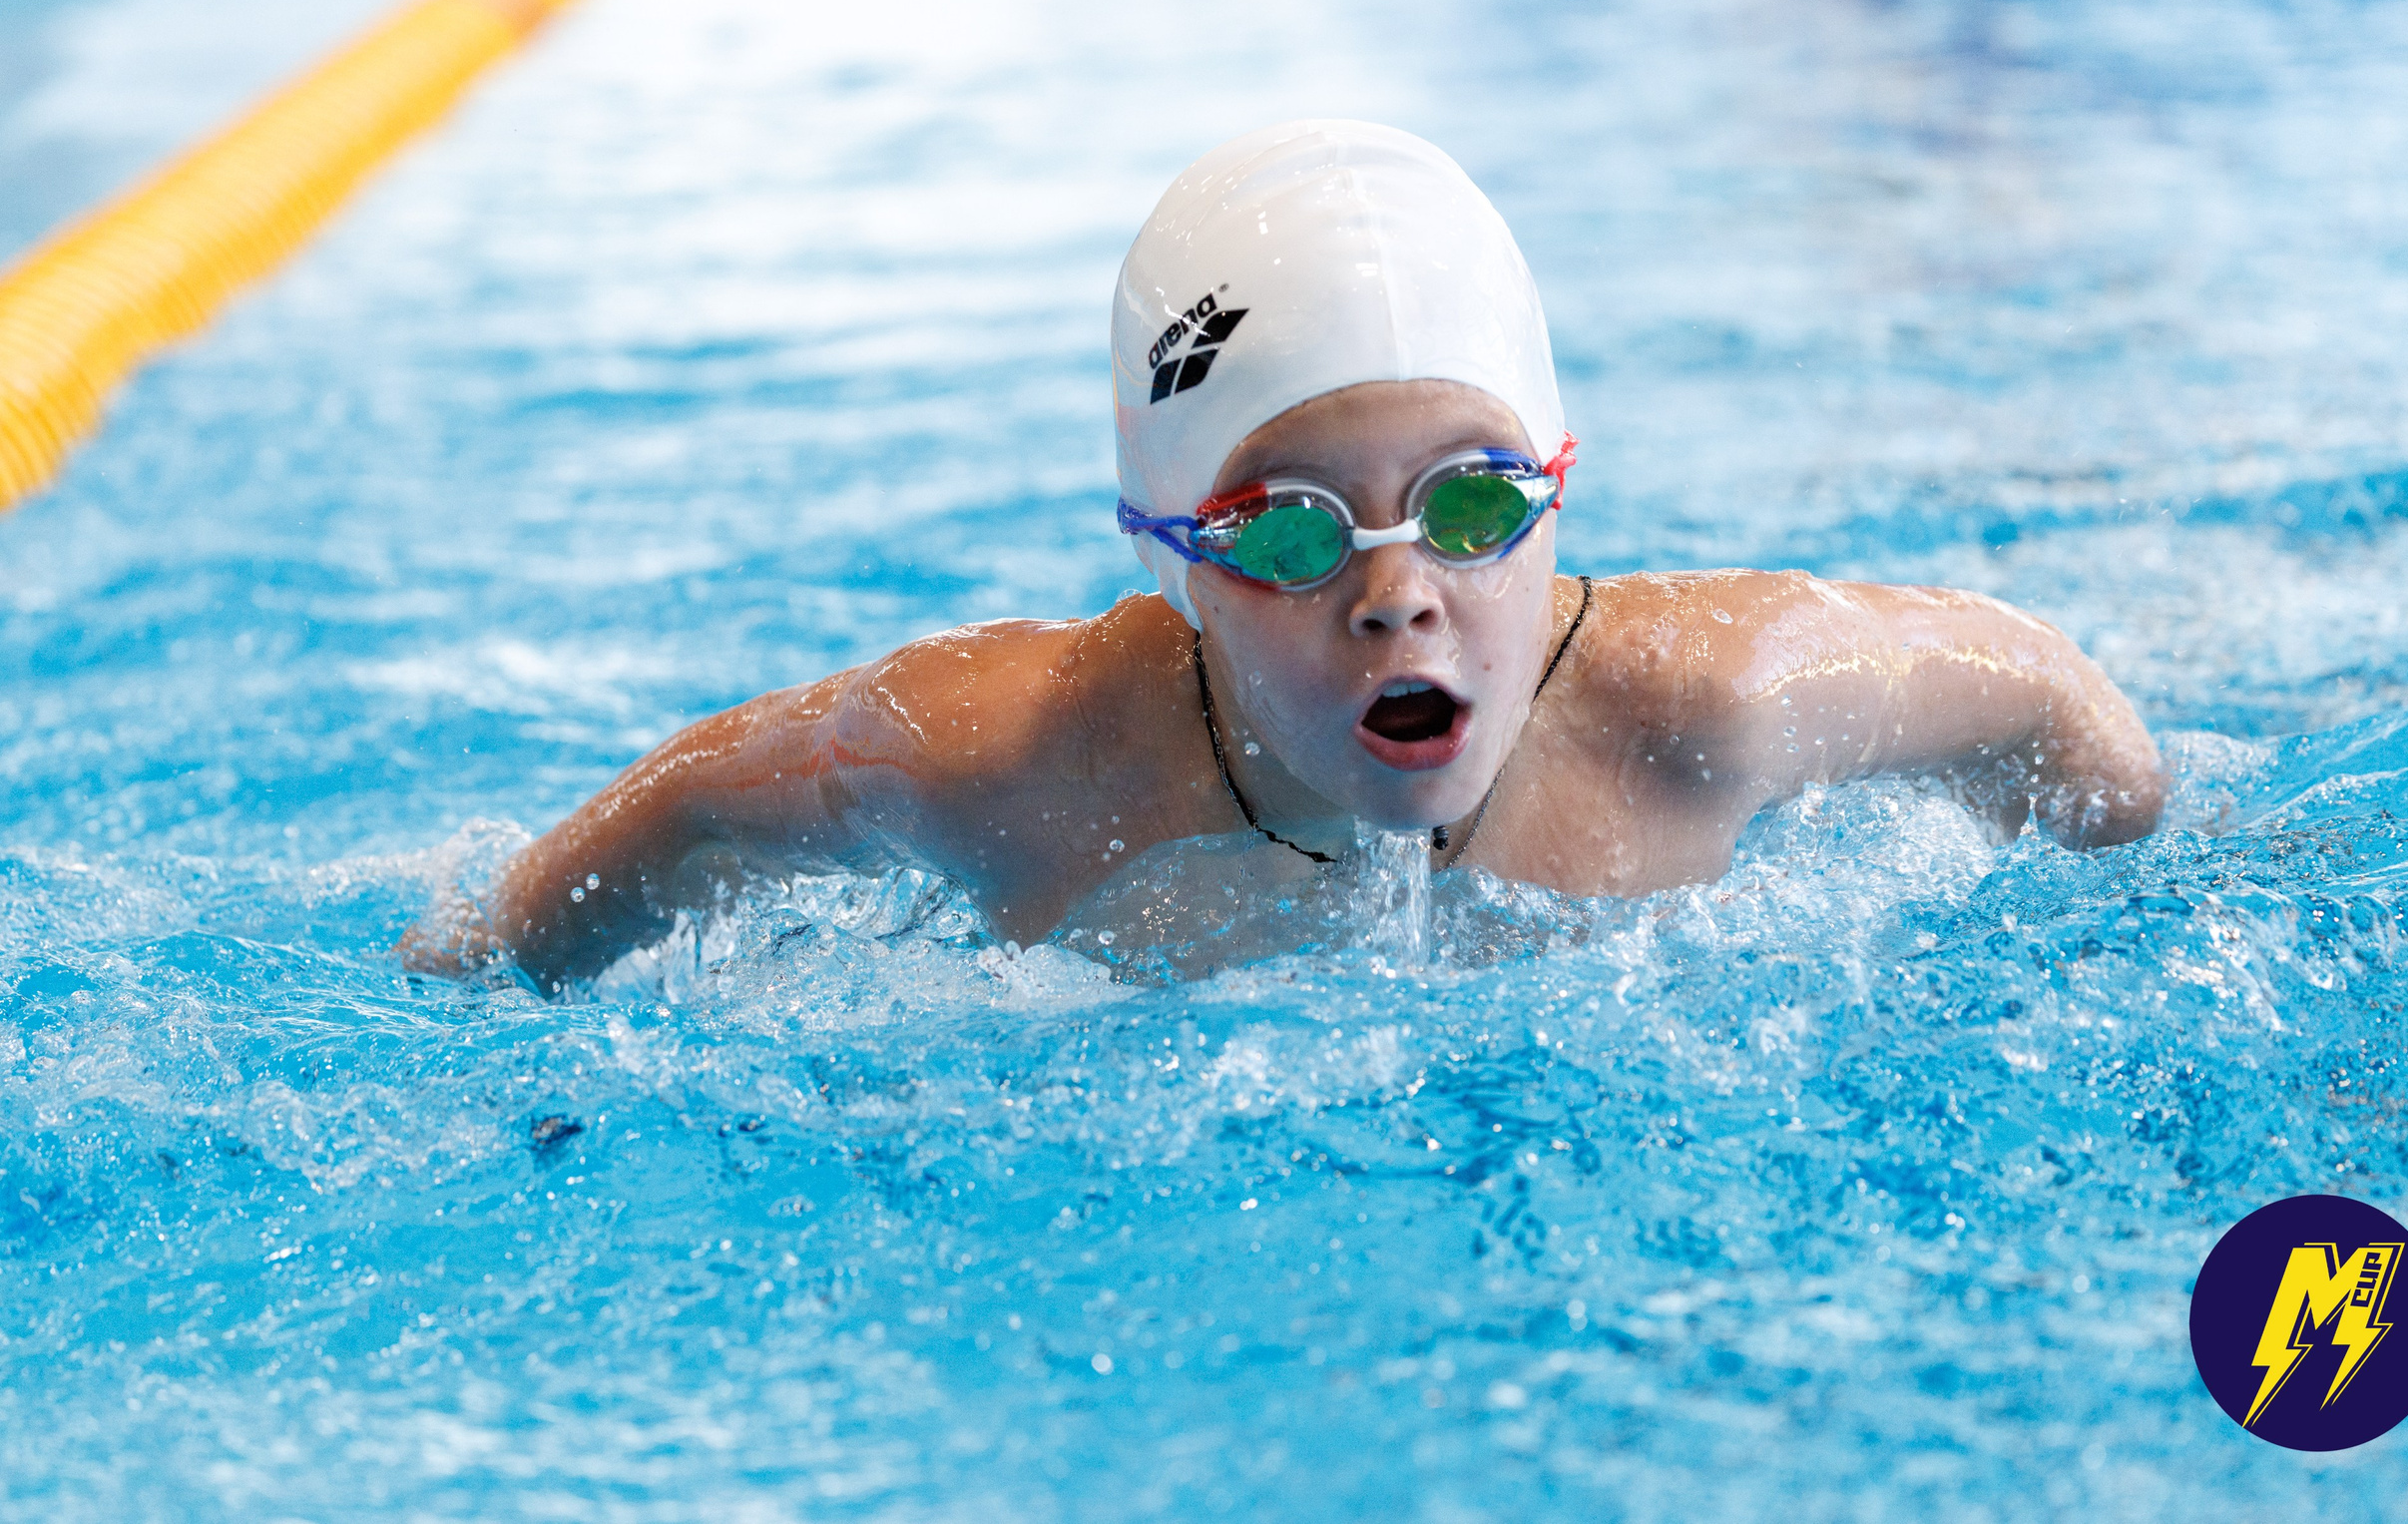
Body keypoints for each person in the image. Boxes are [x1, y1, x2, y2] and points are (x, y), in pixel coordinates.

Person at [403, 121, 2163, 994]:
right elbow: (696, 803)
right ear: (1175, 550)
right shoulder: (1004, 765)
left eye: (1473, 506)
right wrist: (483, 973)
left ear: (1559, 495)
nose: (1399, 591)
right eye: (1296, 523)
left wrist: (2165, 903)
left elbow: (2055, 699)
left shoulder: (1711, 708)